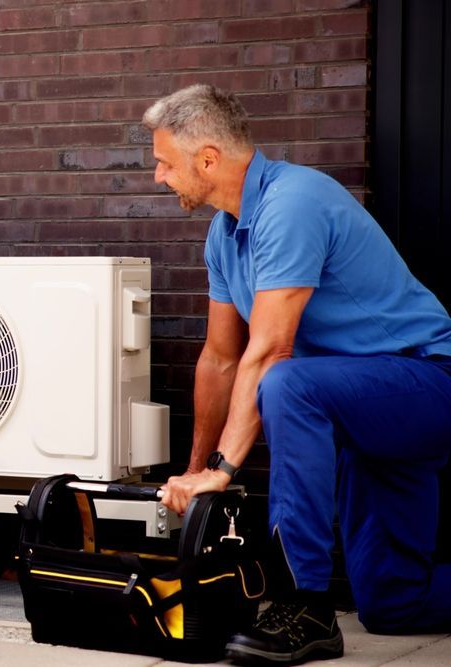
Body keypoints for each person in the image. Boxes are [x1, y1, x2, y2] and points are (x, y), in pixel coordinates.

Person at [145, 84, 451, 666]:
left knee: (287, 382)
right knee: (394, 606)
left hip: (427, 383)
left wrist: (224, 470)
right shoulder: (225, 233)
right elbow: (220, 358)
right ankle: (363, 599)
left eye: (164, 162)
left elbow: (270, 352)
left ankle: (304, 603)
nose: (159, 176)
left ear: (207, 158)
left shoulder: (293, 203)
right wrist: (193, 472)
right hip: (363, 414)